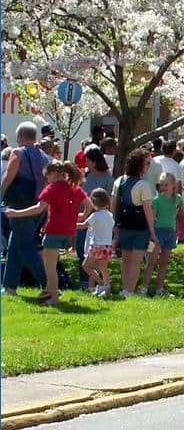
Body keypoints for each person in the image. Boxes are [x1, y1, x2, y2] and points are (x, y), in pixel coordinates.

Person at [5, 162, 91, 305]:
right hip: (68, 233)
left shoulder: (51, 188)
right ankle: (48, 292)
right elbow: (89, 205)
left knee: (49, 268)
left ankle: (54, 298)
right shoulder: (75, 187)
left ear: (52, 174)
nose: (46, 180)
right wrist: (80, 216)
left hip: (53, 231)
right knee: (51, 263)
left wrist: (16, 213)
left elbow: (38, 209)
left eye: (46, 177)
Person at [1, 121, 50, 295]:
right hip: (38, 206)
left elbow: (8, 177)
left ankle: (49, 285)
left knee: (25, 246)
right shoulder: (44, 156)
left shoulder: (18, 152)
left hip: (20, 207)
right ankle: (10, 288)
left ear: (20, 137)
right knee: (15, 245)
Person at [111, 149, 159, 297]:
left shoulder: (119, 181)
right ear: (140, 165)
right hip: (139, 226)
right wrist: (152, 231)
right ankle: (130, 291)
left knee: (125, 260)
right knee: (136, 261)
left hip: (123, 224)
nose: (148, 166)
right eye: (147, 163)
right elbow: (148, 211)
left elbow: (113, 204)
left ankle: (124, 289)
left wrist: (114, 224)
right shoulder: (143, 185)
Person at [75, 145, 114, 290]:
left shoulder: (107, 178)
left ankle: (98, 283)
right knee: (81, 250)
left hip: (98, 220)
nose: (85, 162)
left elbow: (108, 199)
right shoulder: (85, 176)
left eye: (87, 159)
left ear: (94, 160)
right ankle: (86, 282)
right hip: (84, 216)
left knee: (96, 255)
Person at [139, 172, 183, 297]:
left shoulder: (177, 198)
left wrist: (178, 212)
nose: (163, 187)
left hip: (170, 232)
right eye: (162, 185)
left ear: (173, 185)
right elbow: (152, 218)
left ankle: (159, 289)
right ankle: (144, 288)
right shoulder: (157, 200)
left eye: (166, 185)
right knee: (151, 261)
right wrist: (152, 234)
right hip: (158, 232)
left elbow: (181, 215)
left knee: (164, 262)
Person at [76, 188, 115, 298]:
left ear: (93, 203)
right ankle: (107, 286)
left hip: (96, 246)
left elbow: (83, 225)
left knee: (86, 266)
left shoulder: (95, 216)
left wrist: (69, 225)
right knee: (103, 268)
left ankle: (102, 284)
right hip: (107, 246)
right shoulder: (109, 215)